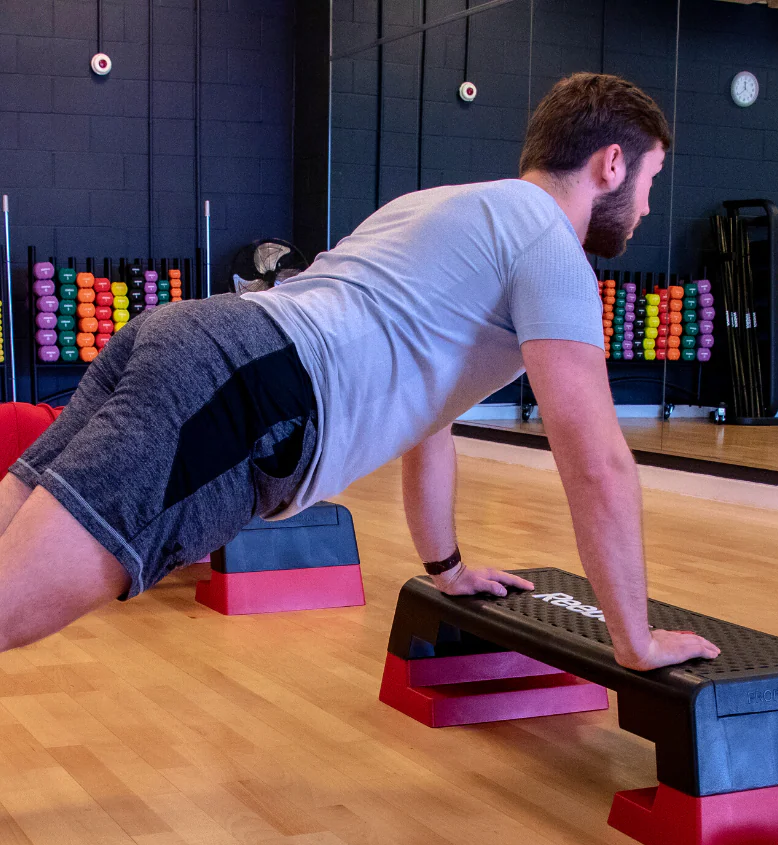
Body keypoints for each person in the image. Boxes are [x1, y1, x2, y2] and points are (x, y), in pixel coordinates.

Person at [0, 72, 718, 672]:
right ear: (612, 164)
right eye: (651, 178)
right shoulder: (550, 246)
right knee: (10, 606)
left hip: (186, 336)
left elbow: (426, 420)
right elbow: (596, 462)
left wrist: (448, 568)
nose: (647, 206)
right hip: (250, 388)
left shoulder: (442, 205)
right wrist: (636, 641)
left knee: (12, 522)